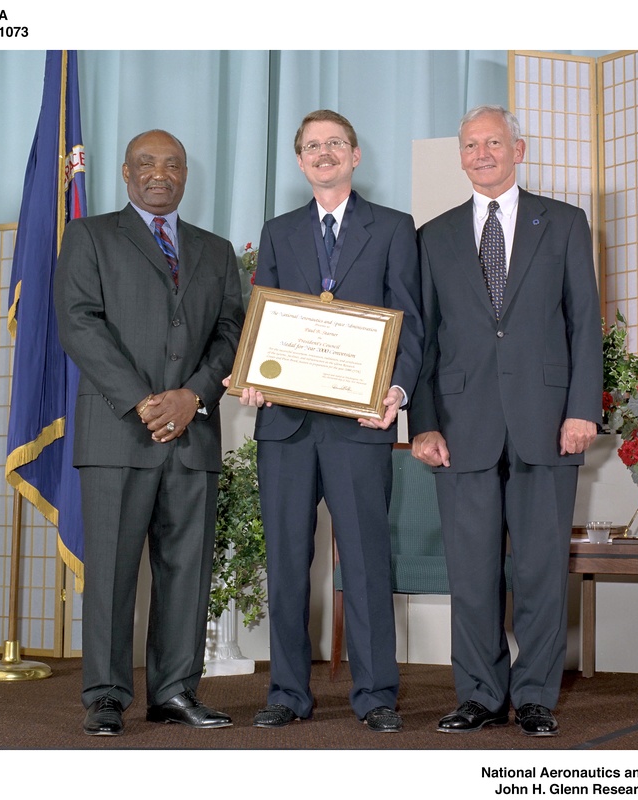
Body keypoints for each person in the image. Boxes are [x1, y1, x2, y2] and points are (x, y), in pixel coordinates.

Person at [408, 105, 602, 737]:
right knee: (471, 570)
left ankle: (538, 694)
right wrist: (424, 424)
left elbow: (585, 326)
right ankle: (480, 695)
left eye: (493, 142)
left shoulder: (566, 223)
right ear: (460, 156)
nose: (482, 154)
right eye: (471, 146)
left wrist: (581, 410)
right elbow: (424, 341)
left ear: (519, 149)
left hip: (549, 422)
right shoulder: (432, 236)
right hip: (461, 427)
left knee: (543, 567)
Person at [228, 110, 422, 732]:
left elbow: (410, 323)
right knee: (286, 562)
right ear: (300, 159)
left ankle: (376, 695)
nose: (324, 153)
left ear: (356, 155)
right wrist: (253, 374)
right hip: (285, 424)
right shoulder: (279, 231)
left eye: (334, 143)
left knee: (366, 561)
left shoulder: (393, 228)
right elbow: (265, 319)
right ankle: (287, 691)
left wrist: (394, 390)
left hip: (359, 424)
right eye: (312, 146)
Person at [54, 129, 245, 736]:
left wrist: (194, 396)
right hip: (119, 432)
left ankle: (175, 692)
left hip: (192, 434)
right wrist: (144, 401)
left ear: (186, 175)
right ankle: (106, 697)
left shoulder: (215, 251)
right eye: (146, 163)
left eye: (172, 164)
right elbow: (79, 325)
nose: (159, 173)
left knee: (186, 569)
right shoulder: (88, 237)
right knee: (111, 570)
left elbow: (231, 334)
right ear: (125, 173)